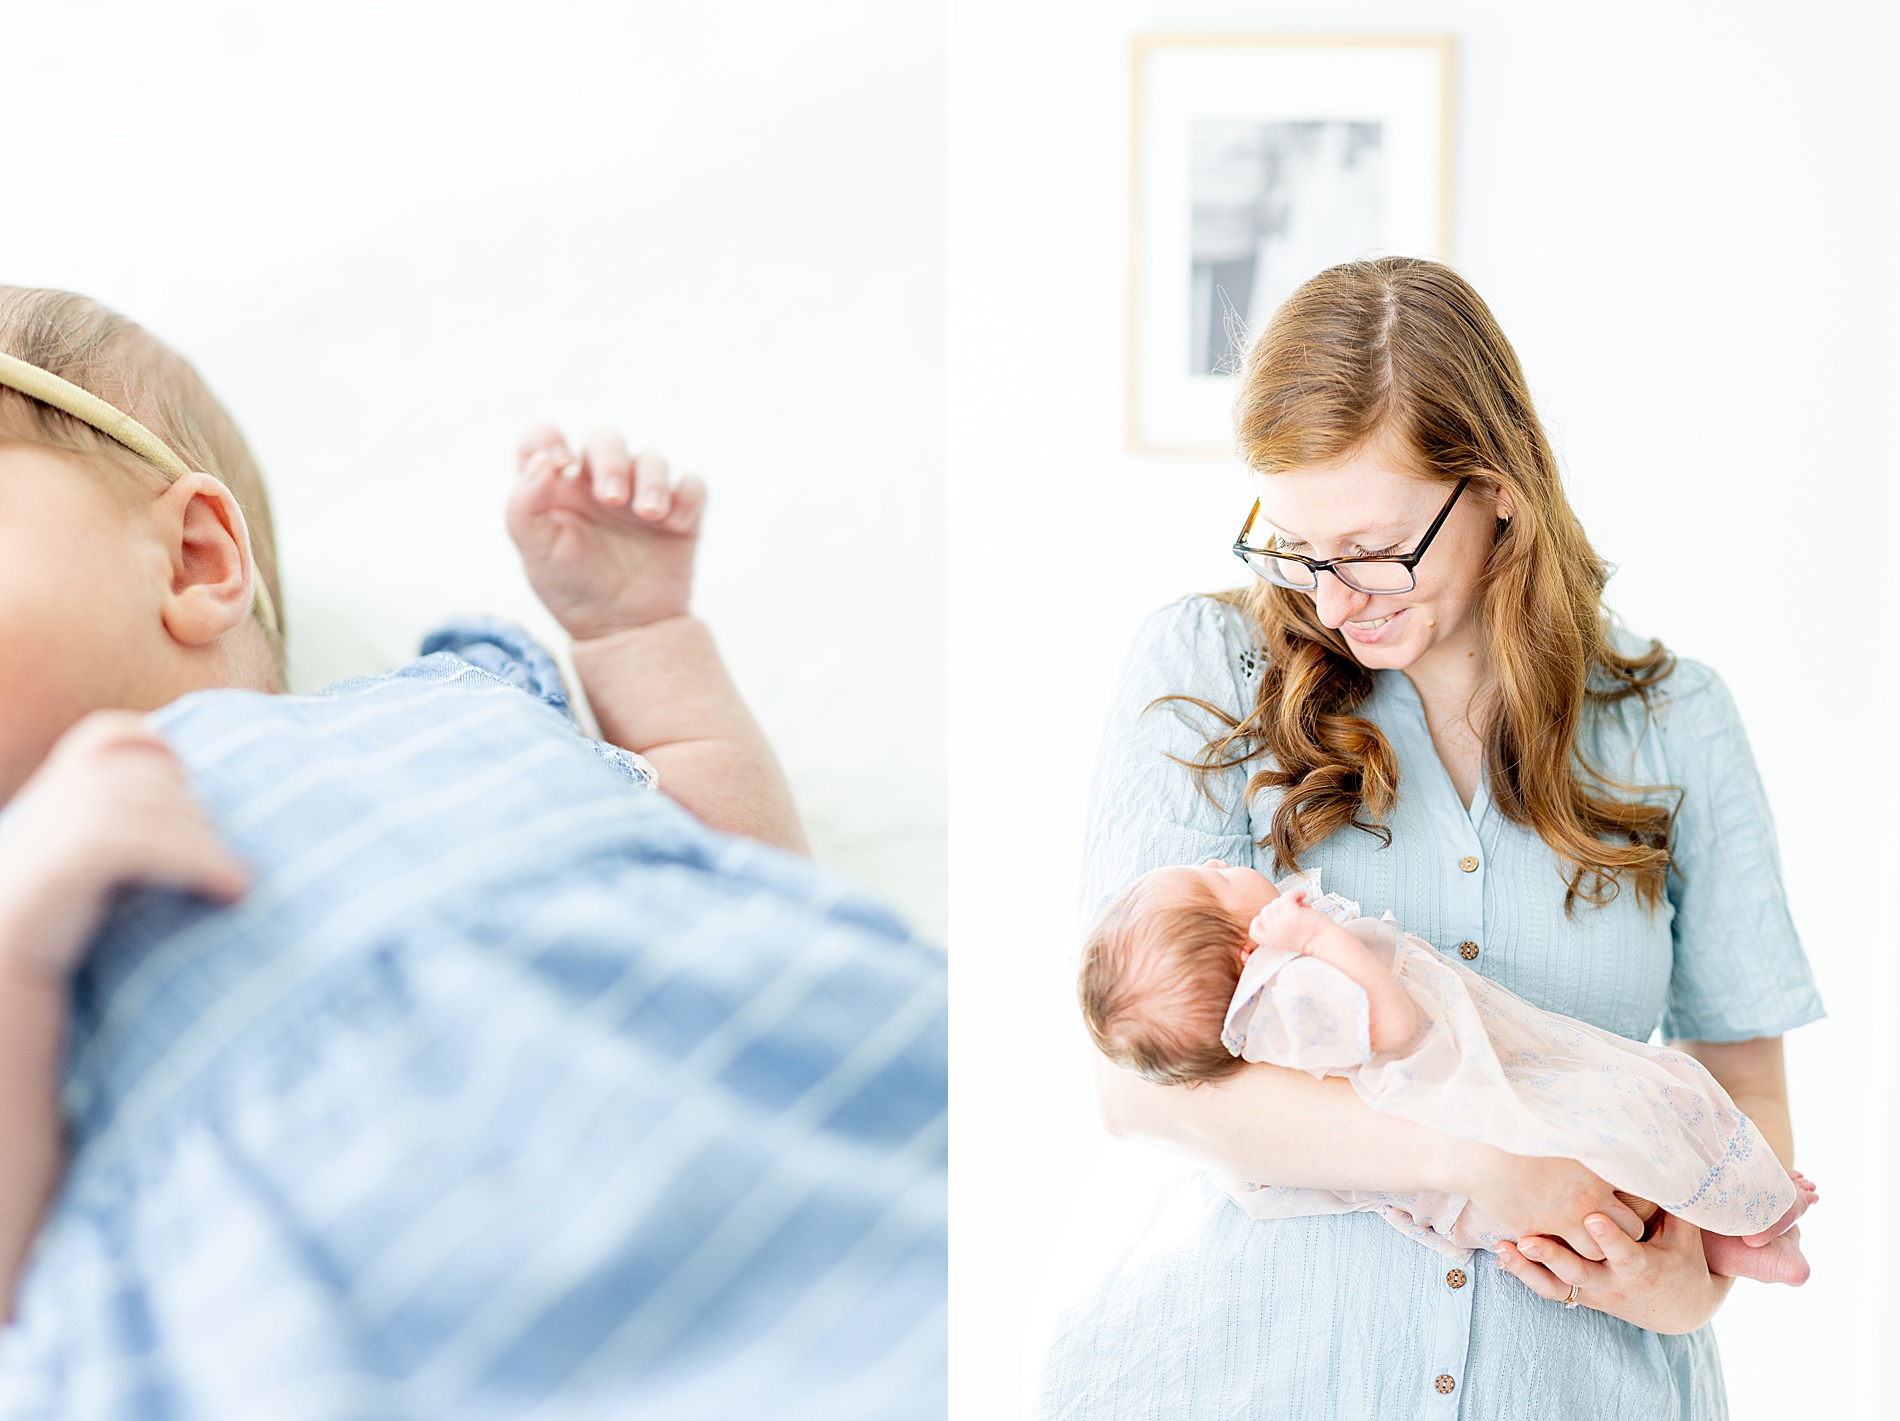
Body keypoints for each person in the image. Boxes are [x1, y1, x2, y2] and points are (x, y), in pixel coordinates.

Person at [0, 288, 946, 1418]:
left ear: (197, 559)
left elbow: (742, 891)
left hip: (753, 1192)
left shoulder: (458, 705)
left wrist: (639, 638)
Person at [1040, 258, 1821, 1420]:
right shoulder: (1206, 673)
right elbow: (1135, 1086)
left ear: (1497, 486)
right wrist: (1471, 1161)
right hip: (1239, 1372)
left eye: (1376, 545)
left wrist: (1686, 1288)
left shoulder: (1674, 720)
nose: (1334, 596)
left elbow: (1744, 1080)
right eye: (1297, 548)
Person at [1076, 859, 1815, 1286]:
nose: (1222, 865)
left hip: (1469, 1119)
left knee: (1611, 1156)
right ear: (1243, 952)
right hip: (1466, 1108)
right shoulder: (1288, 998)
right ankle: (1741, 1224)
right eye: (1212, 882)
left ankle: (1734, 1231)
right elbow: (1392, 1025)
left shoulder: (1279, 996)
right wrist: (1319, 936)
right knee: (1610, 1136)